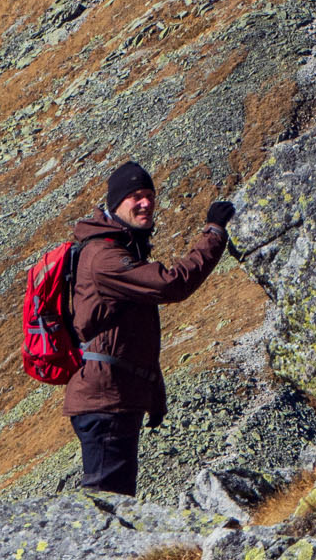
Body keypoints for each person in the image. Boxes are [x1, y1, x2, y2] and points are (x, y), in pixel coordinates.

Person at [64, 161, 234, 495]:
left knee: (113, 501)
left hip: (116, 398)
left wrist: (153, 395)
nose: (145, 203)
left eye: (149, 195)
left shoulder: (121, 247)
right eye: (135, 197)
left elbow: (129, 337)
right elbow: (169, 285)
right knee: (106, 507)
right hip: (105, 403)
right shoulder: (105, 257)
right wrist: (213, 235)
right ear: (116, 204)